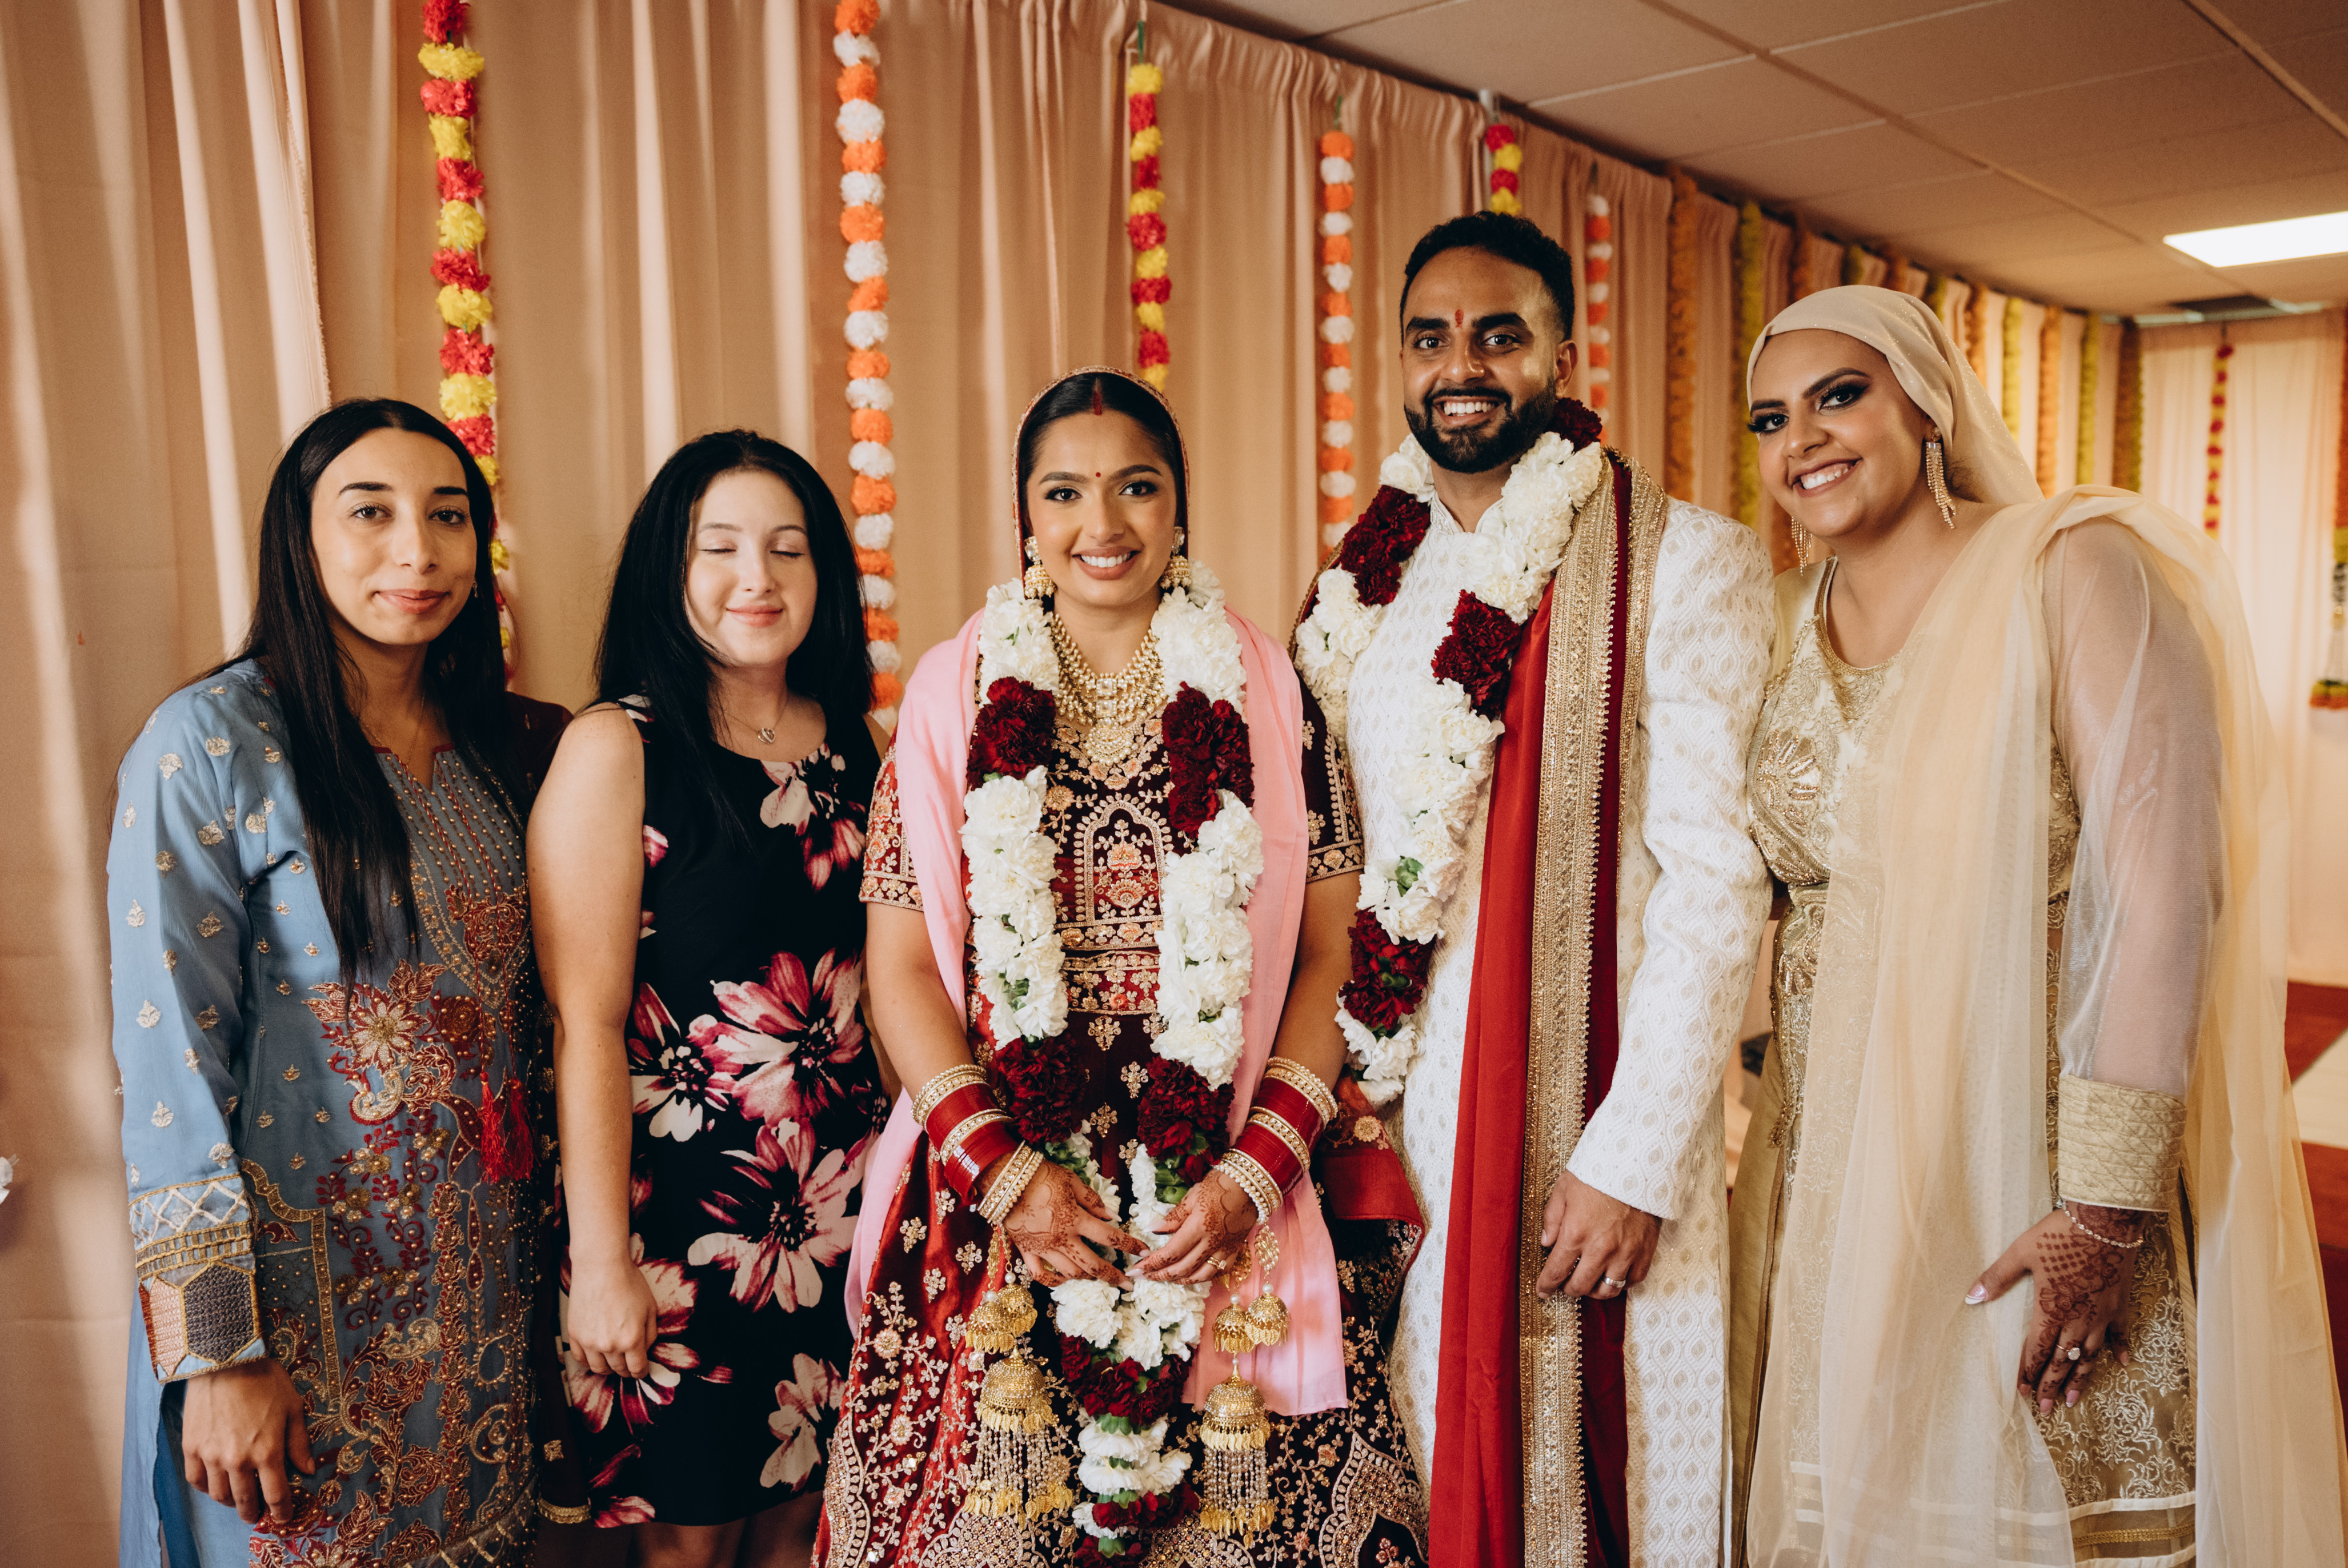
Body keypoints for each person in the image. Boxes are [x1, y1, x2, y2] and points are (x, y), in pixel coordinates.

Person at [1729, 285, 2348, 1565]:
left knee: (2040, 1486)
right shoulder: (1778, 621)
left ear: (1928, 404)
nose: (1804, 439)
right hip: (1835, 1165)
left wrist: (2105, 1210)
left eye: (1840, 395)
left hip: (2032, 1154)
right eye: (1771, 417)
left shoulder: (2069, 569)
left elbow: (2166, 881)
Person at [815, 367, 1429, 1565]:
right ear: (1025, 517)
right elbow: (902, 969)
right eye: (1065, 492)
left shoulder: (1271, 691)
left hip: (1221, 1189)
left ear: (1179, 503)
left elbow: (1331, 951)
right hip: (1004, 1197)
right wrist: (1007, 1177)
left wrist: (1254, 1173)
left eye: (1135, 486)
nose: (1102, 523)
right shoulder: (951, 693)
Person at [1292, 210, 1773, 1568]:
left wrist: (1637, 1155)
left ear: (1563, 349)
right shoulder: (1359, 578)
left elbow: (1714, 882)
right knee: (1401, 1460)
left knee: (1616, 1474)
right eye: (1430, 337)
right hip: (1388, 1111)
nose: (1462, 365)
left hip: (1586, 1110)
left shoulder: (1684, 559)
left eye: (1499, 333)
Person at [107, 398, 570, 1565]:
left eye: (448, 516)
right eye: (371, 513)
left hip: (488, 1305)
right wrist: (219, 1355)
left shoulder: (509, 749)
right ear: (299, 539)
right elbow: (169, 1075)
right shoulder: (212, 742)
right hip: (299, 1321)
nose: (418, 549)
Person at [533, 430, 890, 1565]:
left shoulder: (859, 747)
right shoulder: (617, 747)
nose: (757, 577)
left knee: (809, 1529)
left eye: (788, 548)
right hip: (680, 1226)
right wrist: (603, 1263)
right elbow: (585, 1024)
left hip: (839, 1211)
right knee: (686, 1546)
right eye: (719, 547)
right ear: (667, 567)